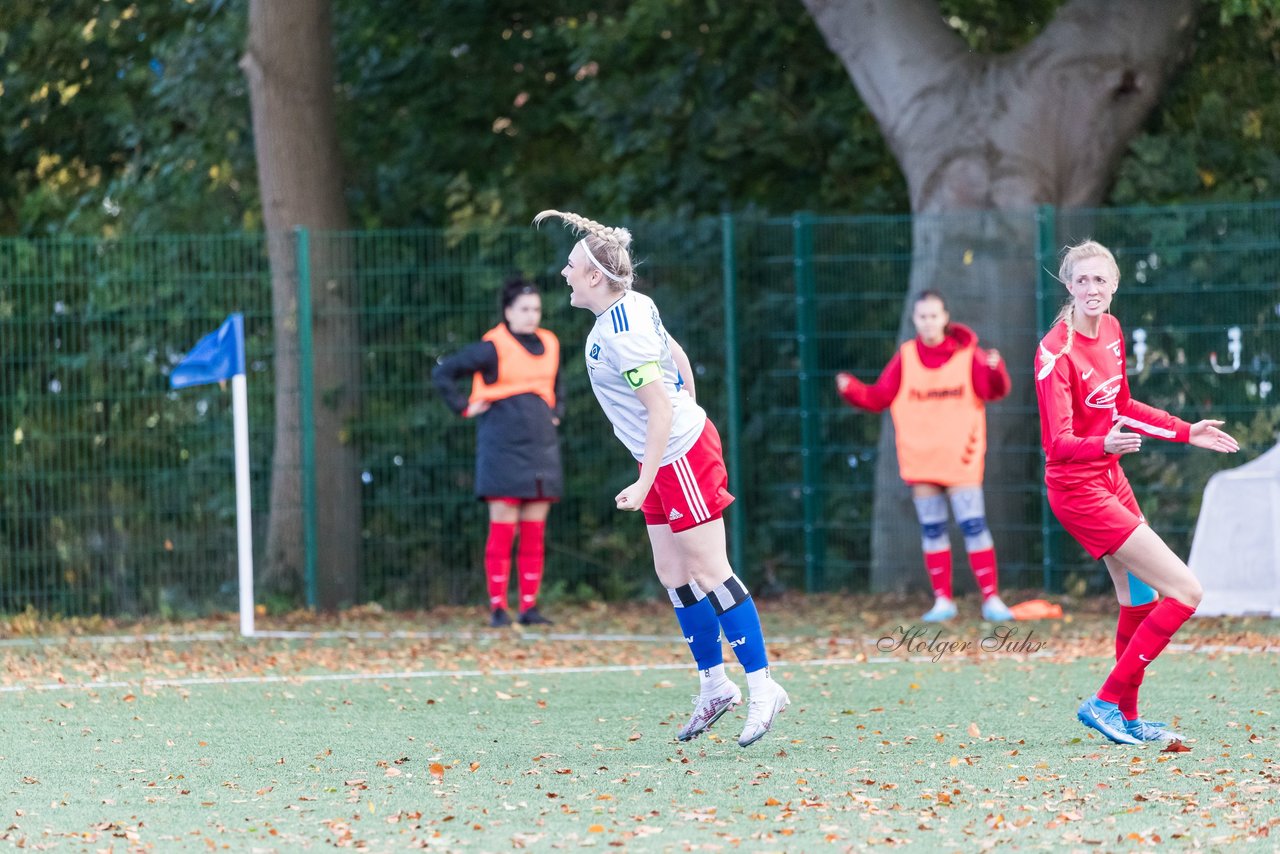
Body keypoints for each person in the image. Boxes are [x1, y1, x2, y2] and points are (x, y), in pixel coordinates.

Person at [533, 208, 789, 748]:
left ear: (595, 277)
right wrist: (678, 426)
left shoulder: (622, 333)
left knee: (708, 569)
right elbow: (677, 357)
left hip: (679, 456)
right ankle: (715, 685)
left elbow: (659, 407)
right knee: (672, 572)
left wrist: (664, 461)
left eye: (572, 264)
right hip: (667, 454)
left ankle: (764, 687)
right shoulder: (631, 307)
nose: (564, 272)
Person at [1035, 240, 1239, 744]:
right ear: (1067, 286)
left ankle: (1126, 717)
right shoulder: (1054, 351)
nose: (1092, 289)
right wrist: (1102, 442)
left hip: (1110, 477)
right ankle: (1103, 702)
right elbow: (1057, 445)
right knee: (1187, 592)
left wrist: (1186, 430)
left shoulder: (1112, 331)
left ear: (1115, 285)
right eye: (1081, 280)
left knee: (1139, 598)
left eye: (1100, 280)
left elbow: (1122, 403)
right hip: (1077, 488)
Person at [835, 290, 1015, 623]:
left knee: (973, 525)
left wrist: (996, 368)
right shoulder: (905, 357)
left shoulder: (969, 356)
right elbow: (878, 397)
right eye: (922, 317)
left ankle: (991, 599)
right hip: (922, 460)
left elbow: (995, 390)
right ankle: (943, 601)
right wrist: (852, 389)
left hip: (961, 458)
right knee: (932, 530)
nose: (928, 322)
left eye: (934, 316)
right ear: (914, 320)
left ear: (945, 318)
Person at [432, 277, 564, 628]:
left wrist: (556, 413)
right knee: (503, 530)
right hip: (502, 449)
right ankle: (497, 608)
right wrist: (463, 406)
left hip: (541, 450)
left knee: (535, 532)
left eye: (536, 309)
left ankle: (529, 607)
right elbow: (444, 372)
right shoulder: (492, 347)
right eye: (524, 309)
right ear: (507, 312)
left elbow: (557, 385)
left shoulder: (551, 343)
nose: (531, 315)